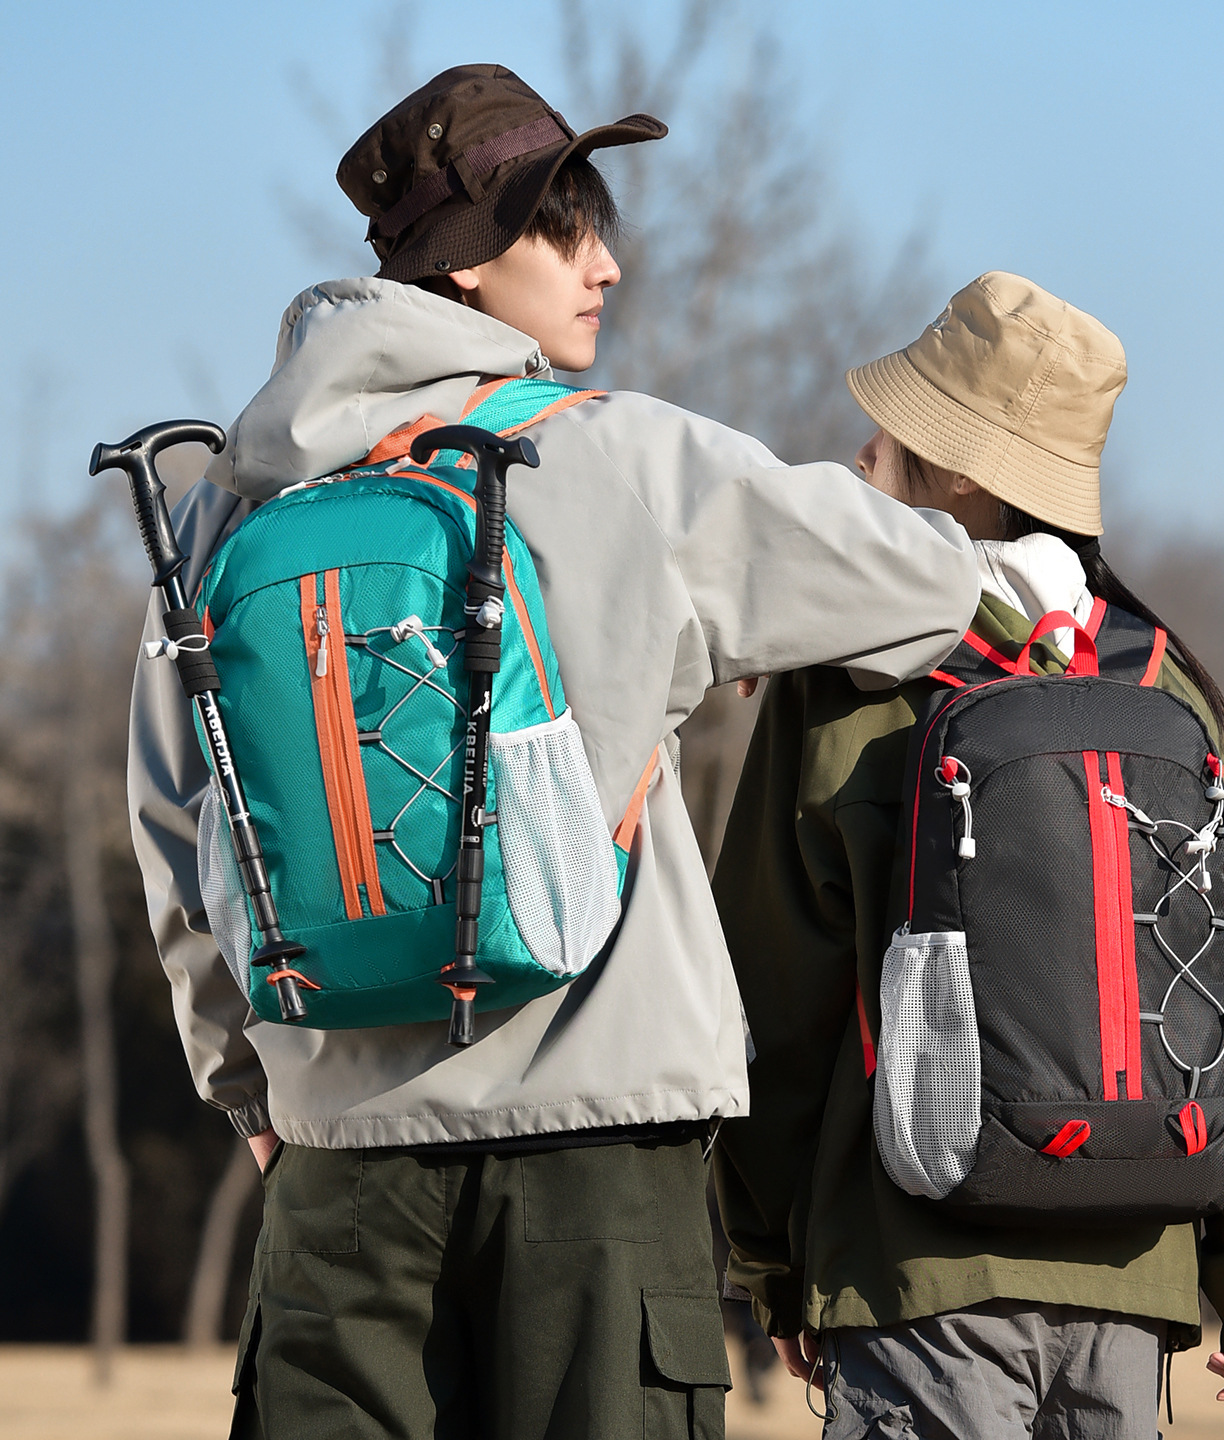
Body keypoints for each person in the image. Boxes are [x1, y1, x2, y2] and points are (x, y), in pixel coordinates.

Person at [127, 65, 985, 1440]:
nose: (608, 262)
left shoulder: (222, 521)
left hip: (338, 1164)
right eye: (565, 225)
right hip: (597, 1157)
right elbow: (927, 585)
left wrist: (253, 1091)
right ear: (467, 265)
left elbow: (183, 846)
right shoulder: (624, 463)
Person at [713, 272, 1224, 1439]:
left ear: (957, 474)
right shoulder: (1160, 682)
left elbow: (772, 990)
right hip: (1133, 1274)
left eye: (893, 433)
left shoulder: (850, 680)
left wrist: (776, 1256)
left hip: (912, 1261)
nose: (863, 449)